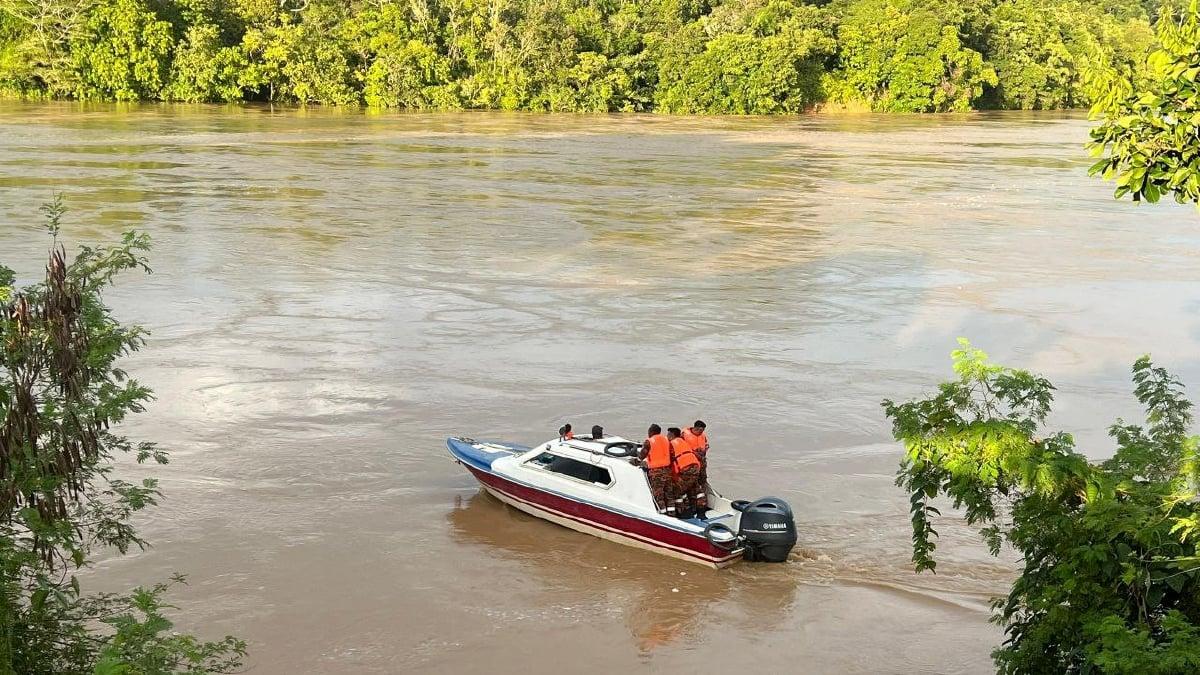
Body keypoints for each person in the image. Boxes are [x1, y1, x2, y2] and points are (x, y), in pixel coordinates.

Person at [668, 427, 705, 517]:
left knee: (677, 491)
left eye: (668, 434)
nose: (667, 436)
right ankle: (701, 513)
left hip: (686, 468)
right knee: (696, 489)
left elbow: (668, 459)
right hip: (695, 466)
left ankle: (685, 514)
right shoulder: (683, 442)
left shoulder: (671, 444)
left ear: (672, 435)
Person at [639, 424, 675, 516]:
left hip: (656, 472)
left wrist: (637, 460)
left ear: (651, 432)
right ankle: (672, 512)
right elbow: (672, 454)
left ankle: (663, 515)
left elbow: (642, 455)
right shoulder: (666, 440)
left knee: (658, 494)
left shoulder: (649, 441)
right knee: (669, 493)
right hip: (667, 470)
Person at [681, 420, 709, 507]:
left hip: (701, 461)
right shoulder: (684, 434)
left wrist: (703, 451)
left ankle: (703, 502)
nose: (702, 432)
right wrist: (695, 453)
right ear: (696, 428)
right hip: (690, 463)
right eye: (701, 430)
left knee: (702, 480)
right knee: (691, 482)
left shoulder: (703, 436)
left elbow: (706, 445)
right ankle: (692, 502)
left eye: (703, 430)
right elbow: (680, 447)